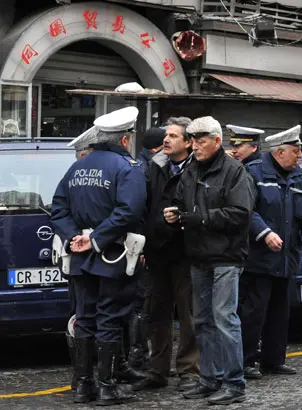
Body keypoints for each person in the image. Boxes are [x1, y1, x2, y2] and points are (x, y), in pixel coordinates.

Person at [51, 106, 147, 405]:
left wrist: (75, 238)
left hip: (81, 257)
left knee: (84, 317)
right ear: (124, 139)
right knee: (110, 318)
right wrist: (95, 239)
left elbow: (59, 209)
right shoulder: (127, 167)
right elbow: (129, 211)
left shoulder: (77, 167)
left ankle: (83, 386)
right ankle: (106, 387)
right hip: (112, 254)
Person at [163, 116, 254, 405]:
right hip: (199, 255)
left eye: (201, 141)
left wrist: (199, 218)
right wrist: (174, 213)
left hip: (226, 255)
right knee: (202, 319)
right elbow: (182, 201)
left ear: (217, 141)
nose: (195, 146)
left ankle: (234, 383)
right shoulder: (191, 170)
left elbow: (241, 214)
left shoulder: (234, 171)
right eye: (192, 141)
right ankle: (210, 378)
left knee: (224, 318)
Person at [239, 125, 302, 379]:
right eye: (296, 151)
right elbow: (246, 211)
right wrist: (264, 233)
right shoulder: (253, 173)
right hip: (260, 259)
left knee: (280, 313)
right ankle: (246, 362)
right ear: (279, 152)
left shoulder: (301, 177)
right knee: (253, 313)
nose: (300, 156)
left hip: (287, 258)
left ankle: (274, 360)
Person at [133, 117, 200, 392]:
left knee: (188, 315)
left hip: (186, 251)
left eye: (174, 136)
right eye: (166, 135)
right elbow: (144, 204)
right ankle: (157, 370)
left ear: (188, 142)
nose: (167, 140)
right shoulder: (155, 166)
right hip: (157, 251)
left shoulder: (198, 168)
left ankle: (189, 371)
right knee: (156, 313)